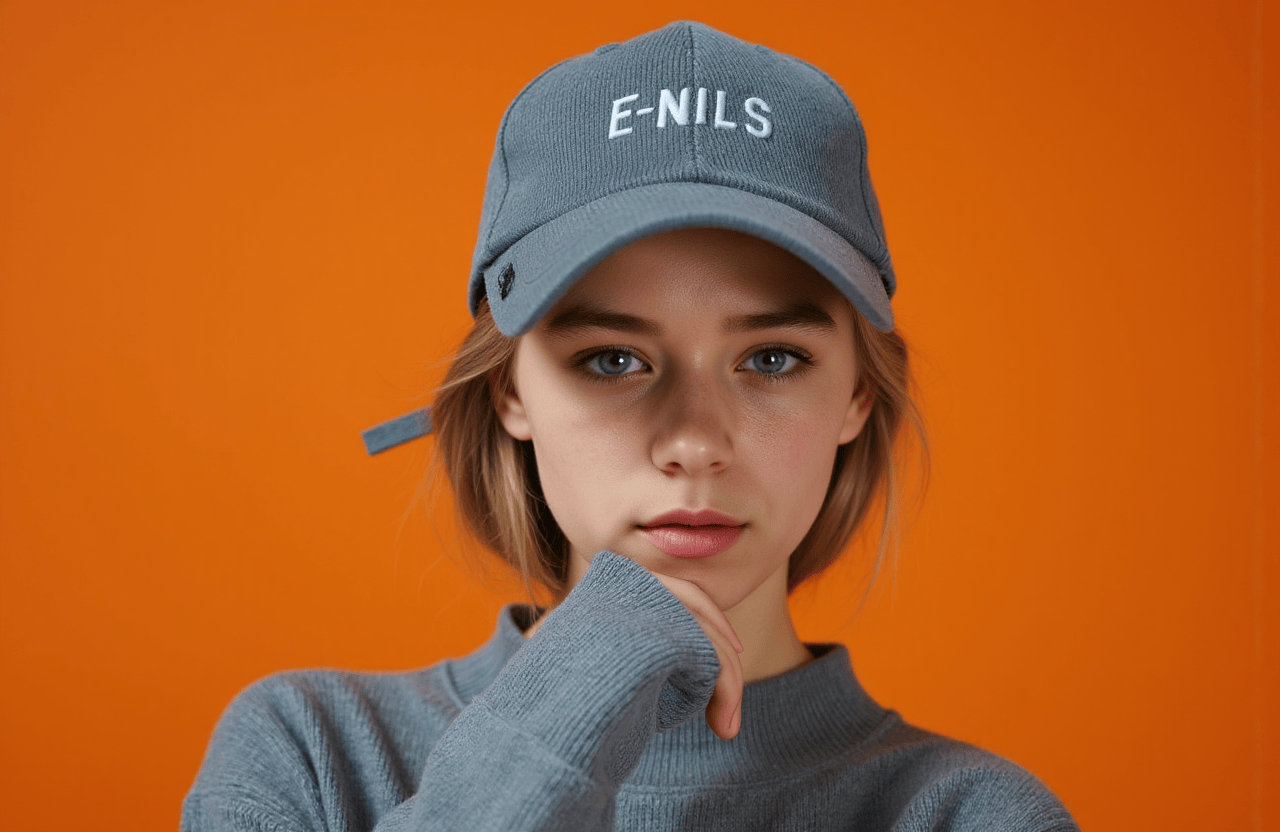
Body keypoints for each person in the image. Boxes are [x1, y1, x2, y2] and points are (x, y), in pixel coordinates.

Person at [183, 20, 1080, 831]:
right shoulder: (310, 759)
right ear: (510, 391)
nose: (694, 442)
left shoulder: (970, 816)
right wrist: (572, 696)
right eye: (613, 359)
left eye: (771, 359)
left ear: (858, 396)